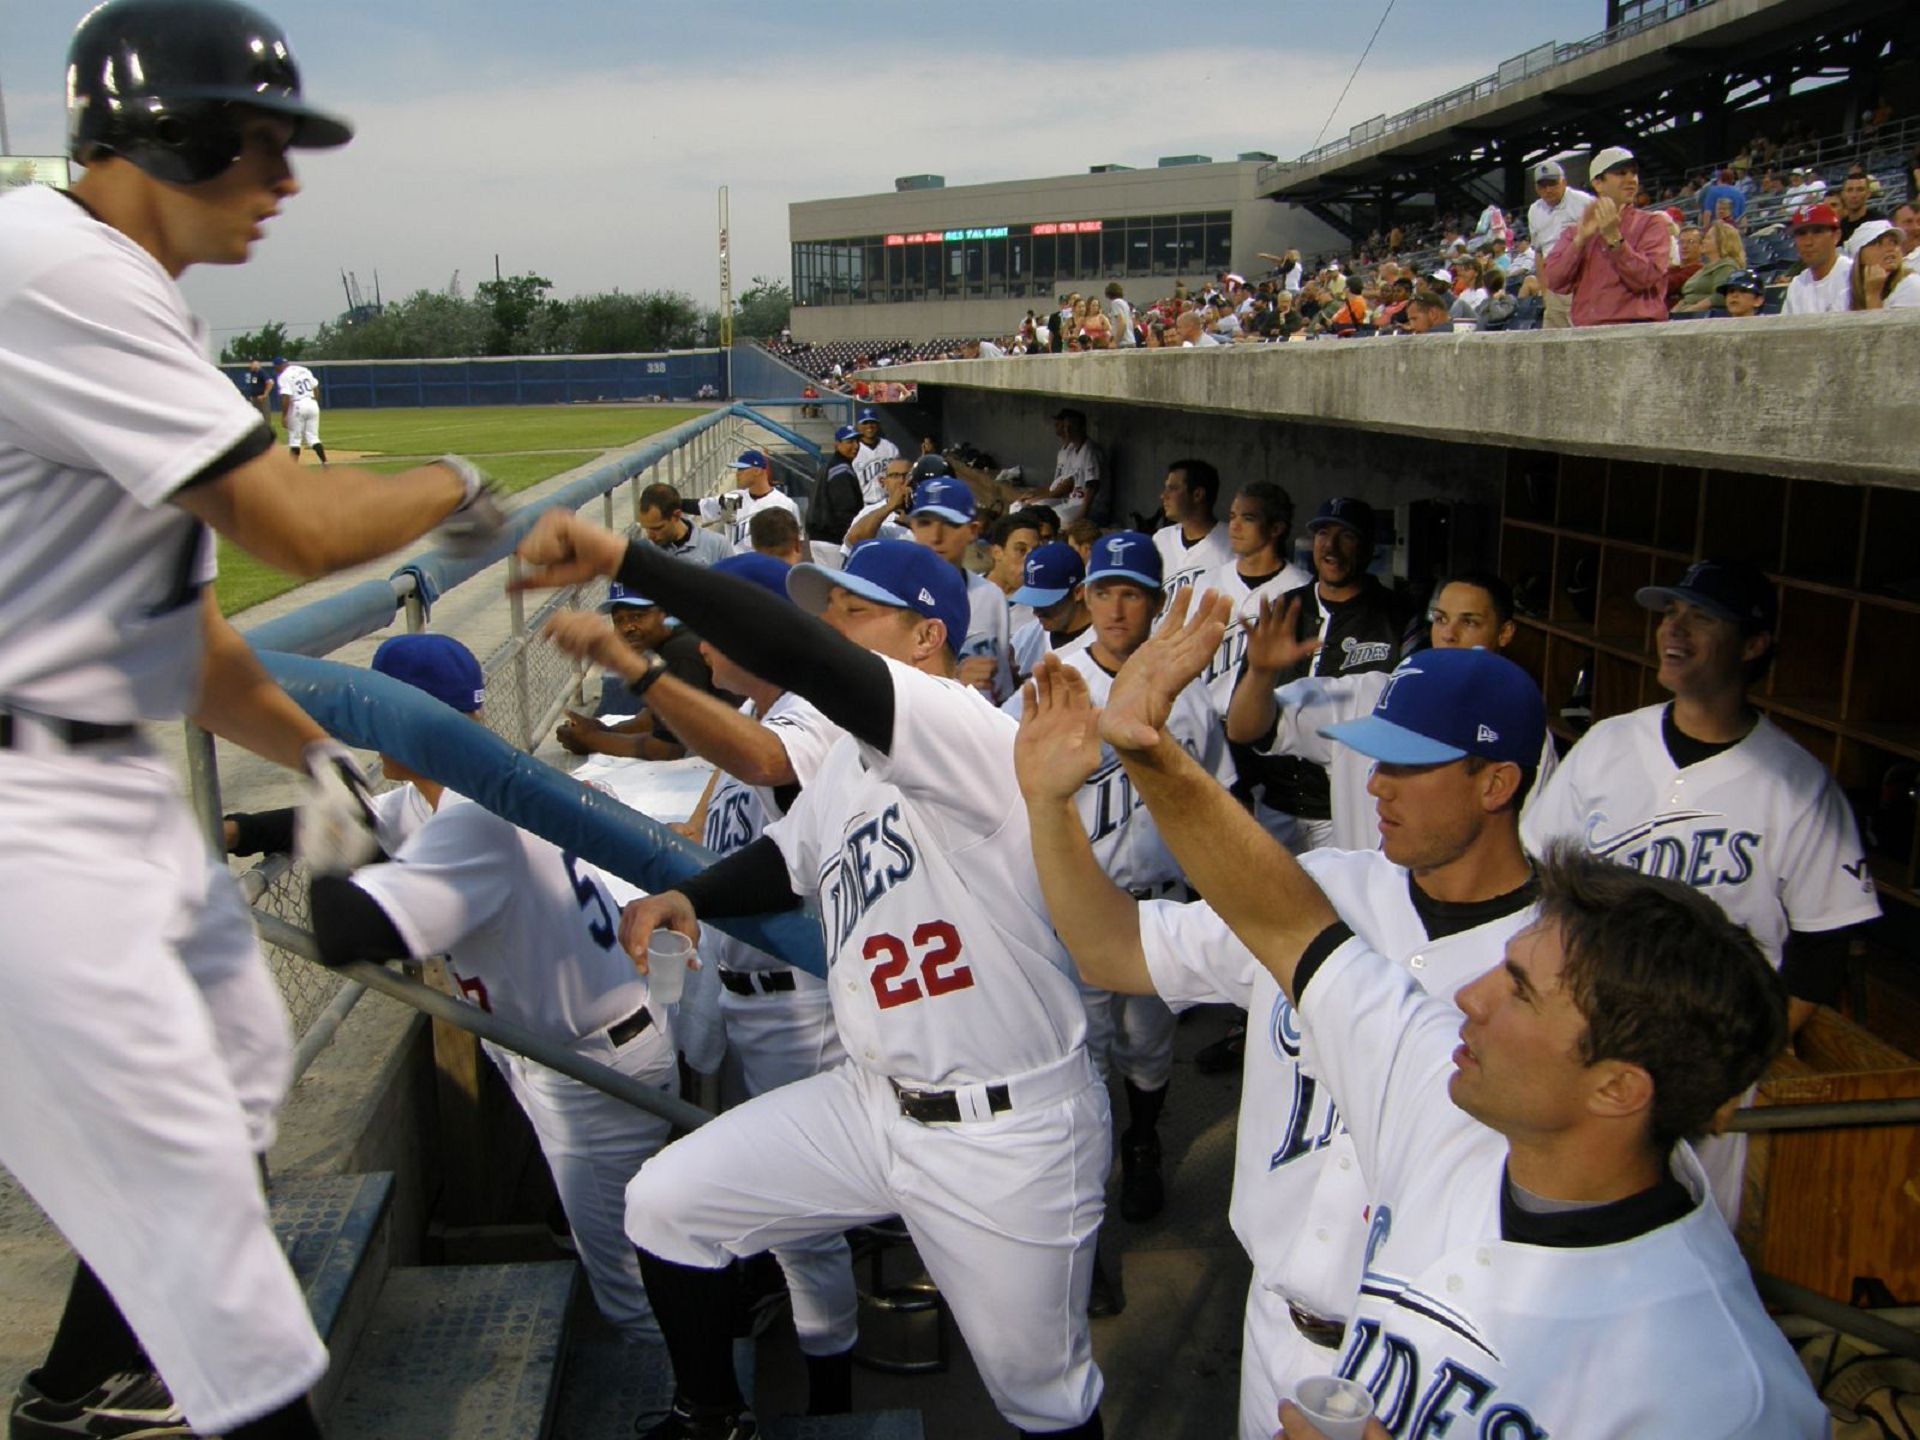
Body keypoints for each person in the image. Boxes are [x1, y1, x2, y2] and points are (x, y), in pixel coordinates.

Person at [0, 2, 502, 1435]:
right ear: (176, 133)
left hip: (84, 781)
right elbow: (295, 522)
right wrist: (451, 482)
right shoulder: (54, 265)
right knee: (225, 1275)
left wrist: (317, 747)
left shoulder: (124, 287)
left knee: (233, 1076)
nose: (285, 183)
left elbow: (186, 636)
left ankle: (91, 1374)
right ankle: (194, 1382)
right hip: (22, 809)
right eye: (264, 146)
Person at [1060, 594, 1830, 1438]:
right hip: (1292, 1332)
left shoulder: (1719, 1389)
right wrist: (1084, 780)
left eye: (1518, 987)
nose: (1472, 1000)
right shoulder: (1429, 1053)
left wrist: (1150, 750)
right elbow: (1272, 926)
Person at [516, 519, 1112, 1440]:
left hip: (1008, 1132)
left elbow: (811, 664)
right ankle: (710, 1415)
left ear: (927, 638)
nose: (831, 630)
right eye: (826, 613)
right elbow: (782, 859)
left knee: (1043, 1398)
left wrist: (630, 564)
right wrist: (690, 898)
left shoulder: (965, 730)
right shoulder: (845, 767)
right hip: (873, 1104)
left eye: (854, 612)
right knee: (668, 1205)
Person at [1018, 645, 1548, 1440]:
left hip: (1438, 1365)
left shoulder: (1561, 973)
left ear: (1496, 783)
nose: (1375, 786)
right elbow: (1112, 948)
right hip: (1271, 1330)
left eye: (1408, 768)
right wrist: (1049, 809)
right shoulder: (1322, 885)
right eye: (1377, 761)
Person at [541, 554, 860, 1415]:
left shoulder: (802, 720)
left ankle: (830, 1385)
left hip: (797, 1001)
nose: (705, 653)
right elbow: (709, 824)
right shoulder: (757, 710)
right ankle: (766, 1312)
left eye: (718, 636)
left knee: (807, 1225)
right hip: (735, 989)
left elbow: (765, 766)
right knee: (744, 1188)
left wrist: (631, 664)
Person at [307, 635, 680, 1348]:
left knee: (633, 1292)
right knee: (620, 1253)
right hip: (579, 1046)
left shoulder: (474, 821)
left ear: (400, 720)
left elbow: (346, 929)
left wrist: (327, 827)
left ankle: (688, 1408)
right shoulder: (475, 783)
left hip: (593, 1067)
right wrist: (242, 828)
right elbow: (386, 823)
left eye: (370, 714)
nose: (358, 730)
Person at [1522, 558, 1882, 1218]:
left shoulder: (1797, 786)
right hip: (1588, 1027)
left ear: (1753, 645)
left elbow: (1823, 944)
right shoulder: (1607, 745)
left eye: (1701, 617)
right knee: (1562, 1216)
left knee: (1690, 1226)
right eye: (1670, 613)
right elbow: (1541, 883)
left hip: (1707, 1052)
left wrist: (1743, 1061)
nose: (1673, 629)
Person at [1004, 535, 1224, 1227]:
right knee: (1082, 1049)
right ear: (1084, 596)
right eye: (1104, 591)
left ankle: (1143, 1140)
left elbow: (1216, 802)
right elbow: (1008, 794)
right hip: (1074, 905)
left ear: (1155, 604)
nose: (1116, 608)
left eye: (1131, 593)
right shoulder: (1050, 681)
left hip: (1157, 906)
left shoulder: (1189, 694)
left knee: (1149, 1048)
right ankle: (1091, 1169)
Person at [1227, 572, 1558, 853]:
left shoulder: (1521, 727)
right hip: (1366, 916)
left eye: (1469, 622)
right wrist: (1260, 674)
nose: (1448, 634)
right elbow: (1247, 729)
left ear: (1505, 633)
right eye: (1440, 619)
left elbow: (1534, 847)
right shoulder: (1371, 694)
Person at [557, 584, 716, 752]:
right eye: (619, 620)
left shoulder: (680, 650)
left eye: (637, 616)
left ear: (664, 613)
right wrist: (603, 729)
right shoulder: (665, 643)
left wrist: (592, 741)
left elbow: (670, 748)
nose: (628, 628)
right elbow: (657, 717)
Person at [905, 472, 1013, 703]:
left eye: (950, 523)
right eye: (925, 522)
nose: (936, 536)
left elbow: (1001, 690)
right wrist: (954, 679)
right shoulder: (892, 597)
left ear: (973, 531)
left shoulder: (992, 597)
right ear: (912, 527)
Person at [1543, 146, 1669, 326]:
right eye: (1621, 173)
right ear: (1598, 183)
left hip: (1638, 328)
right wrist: (1580, 241)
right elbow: (1554, 280)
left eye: (1634, 173)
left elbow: (1646, 277)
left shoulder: (1652, 224)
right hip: (1588, 331)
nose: (1631, 179)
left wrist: (1614, 239)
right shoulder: (1575, 231)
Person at [1151, 458, 1233, 616]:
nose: (1163, 495)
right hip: (1158, 637)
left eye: (1172, 488)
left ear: (1197, 495)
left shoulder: (1230, 544)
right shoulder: (1161, 539)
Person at [1007, 542, 1093, 683]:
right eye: (1033, 601)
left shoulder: (1105, 643)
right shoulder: (1027, 635)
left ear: (1078, 592)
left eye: (1046, 602)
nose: (1036, 611)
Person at [1526, 159, 1594, 330]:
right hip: (1553, 284)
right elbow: (1539, 253)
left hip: (1579, 279)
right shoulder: (1534, 211)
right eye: (1543, 186)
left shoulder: (1584, 202)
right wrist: (1544, 291)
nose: (1548, 190)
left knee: (1582, 334)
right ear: (1536, 188)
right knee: (1552, 339)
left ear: (1563, 182)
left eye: (1553, 184)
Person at [698, 449, 798, 551]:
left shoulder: (784, 504)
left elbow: (796, 544)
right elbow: (700, 507)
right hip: (735, 564)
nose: (737, 474)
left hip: (767, 564)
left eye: (742, 469)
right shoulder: (734, 499)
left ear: (757, 471)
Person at [1781, 204, 1853, 315]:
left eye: (1817, 232)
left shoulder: (1853, 274)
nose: (1808, 242)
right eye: (1801, 234)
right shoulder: (1797, 285)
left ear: (1836, 236)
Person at [639, 482, 733, 567]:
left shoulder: (718, 546)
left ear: (676, 515)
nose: (650, 536)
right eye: (646, 528)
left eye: (657, 528)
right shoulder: (641, 552)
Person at [1043, 408, 1104, 528]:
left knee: (1056, 519)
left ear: (1082, 428)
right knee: (1044, 513)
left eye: (1072, 426)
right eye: (1066, 427)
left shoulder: (1090, 451)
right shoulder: (1073, 451)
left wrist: (1082, 515)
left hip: (1094, 508)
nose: (1068, 430)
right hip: (1074, 502)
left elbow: (1092, 486)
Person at [1845, 218, 1920, 309]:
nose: (1890, 248)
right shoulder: (1846, 293)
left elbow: (1878, 323)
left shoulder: (1910, 285)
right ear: (1860, 256)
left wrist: (1873, 295)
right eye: (1878, 243)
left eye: (1893, 242)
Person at [809, 424, 865, 545]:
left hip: (820, 535)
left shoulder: (830, 465)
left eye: (857, 441)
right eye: (850, 441)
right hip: (832, 538)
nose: (856, 446)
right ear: (837, 444)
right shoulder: (841, 469)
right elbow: (844, 510)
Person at [1673, 221, 1745, 313]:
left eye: (1708, 238)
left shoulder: (1726, 266)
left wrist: (1691, 310)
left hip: (1701, 317)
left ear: (1721, 242)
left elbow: (1720, 296)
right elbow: (1687, 296)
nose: (1703, 241)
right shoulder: (1705, 268)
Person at [275, 354, 326, 467]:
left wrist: (284, 416)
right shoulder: (304, 370)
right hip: (312, 403)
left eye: (276, 368)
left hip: (298, 405)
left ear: (279, 366)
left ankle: (292, 468)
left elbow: (286, 397)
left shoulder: (284, 376)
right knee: (313, 437)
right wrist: (315, 402)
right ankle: (325, 462)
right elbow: (315, 387)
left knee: (295, 439)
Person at [851, 409, 899, 508]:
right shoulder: (853, 450)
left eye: (873, 422)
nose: (869, 426)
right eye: (865, 423)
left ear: (878, 425)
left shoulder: (890, 448)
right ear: (858, 426)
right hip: (863, 505)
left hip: (887, 503)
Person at [243, 357, 275, 428]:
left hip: (262, 399)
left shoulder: (261, 372)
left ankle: (267, 434)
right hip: (255, 398)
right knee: (256, 418)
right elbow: (255, 385)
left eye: (252, 364)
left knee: (265, 417)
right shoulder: (253, 373)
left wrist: (265, 395)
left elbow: (270, 383)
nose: (250, 366)